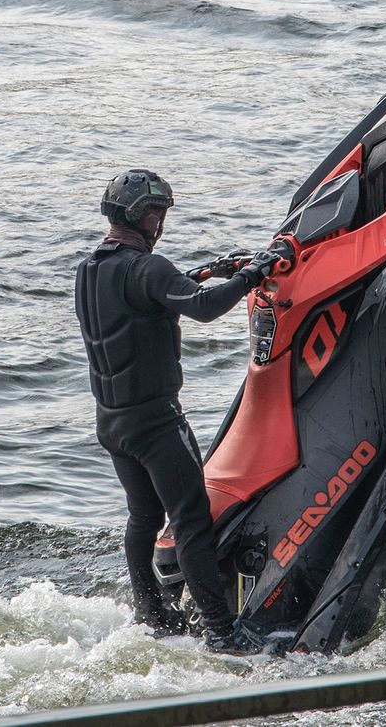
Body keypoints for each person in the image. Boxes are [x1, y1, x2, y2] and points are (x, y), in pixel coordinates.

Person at [75, 168, 277, 654]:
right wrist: (255, 273)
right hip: (157, 422)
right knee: (191, 519)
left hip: (112, 423)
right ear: (135, 217)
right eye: (153, 213)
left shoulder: (90, 268)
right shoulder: (150, 267)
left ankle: (151, 615)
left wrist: (206, 271)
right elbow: (203, 308)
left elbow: (144, 301)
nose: (158, 223)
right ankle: (221, 630)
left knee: (143, 516)